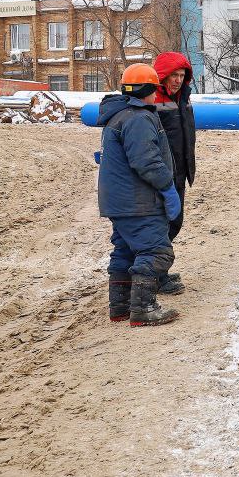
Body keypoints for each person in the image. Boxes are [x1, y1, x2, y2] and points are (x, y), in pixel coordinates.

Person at [96, 64, 181, 327]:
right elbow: (147, 161)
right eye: (154, 89)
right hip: (138, 200)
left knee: (124, 250)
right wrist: (168, 187)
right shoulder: (139, 118)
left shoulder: (119, 115)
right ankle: (143, 308)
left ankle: (119, 306)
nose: (156, 95)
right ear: (147, 89)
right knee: (156, 251)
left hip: (118, 200)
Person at [152, 53, 196, 277]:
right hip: (161, 175)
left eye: (181, 75)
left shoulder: (184, 98)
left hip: (180, 171)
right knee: (161, 227)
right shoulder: (153, 101)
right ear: (163, 76)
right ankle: (154, 275)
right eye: (173, 76)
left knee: (174, 223)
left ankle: (155, 272)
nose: (178, 80)